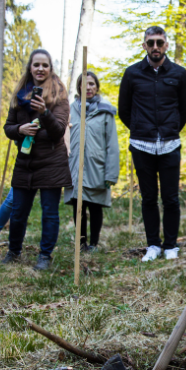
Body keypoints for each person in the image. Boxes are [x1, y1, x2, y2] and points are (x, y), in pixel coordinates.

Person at [118, 26, 186, 262]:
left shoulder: (179, 74)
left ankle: (170, 245)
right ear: (144, 46)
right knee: (148, 197)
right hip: (142, 145)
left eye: (160, 42)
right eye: (151, 43)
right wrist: (141, 128)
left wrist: (169, 129)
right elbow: (124, 110)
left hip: (170, 145)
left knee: (170, 198)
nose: (155, 47)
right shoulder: (132, 74)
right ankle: (153, 245)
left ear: (166, 45)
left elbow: (185, 110)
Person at [2, 49, 71, 271]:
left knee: (49, 212)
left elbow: (58, 131)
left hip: (51, 163)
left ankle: (45, 255)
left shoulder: (59, 95)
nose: (40, 69)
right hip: (25, 162)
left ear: (50, 69)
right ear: (30, 68)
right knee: (18, 210)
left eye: (45, 65)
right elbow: (8, 128)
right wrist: (20, 129)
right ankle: (13, 251)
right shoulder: (19, 95)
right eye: (36, 65)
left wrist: (44, 112)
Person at [69, 71, 120, 252]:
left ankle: (94, 244)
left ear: (96, 87)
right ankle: (81, 244)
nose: (88, 87)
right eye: (84, 84)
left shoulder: (105, 111)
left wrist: (111, 173)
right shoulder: (71, 110)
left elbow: (112, 145)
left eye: (91, 84)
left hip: (97, 167)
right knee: (78, 208)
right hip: (75, 168)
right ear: (79, 87)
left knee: (95, 207)